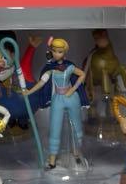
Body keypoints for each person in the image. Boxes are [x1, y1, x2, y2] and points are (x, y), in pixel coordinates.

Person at [24, 37, 87, 168]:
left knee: (76, 125)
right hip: (58, 99)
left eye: (60, 51)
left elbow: (82, 74)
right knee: (55, 127)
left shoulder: (70, 66)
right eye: (54, 51)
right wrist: (29, 92)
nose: (56, 54)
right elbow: (42, 82)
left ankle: (76, 152)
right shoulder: (51, 68)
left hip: (71, 97)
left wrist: (73, 89)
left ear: (64, 52)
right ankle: (52, 159)